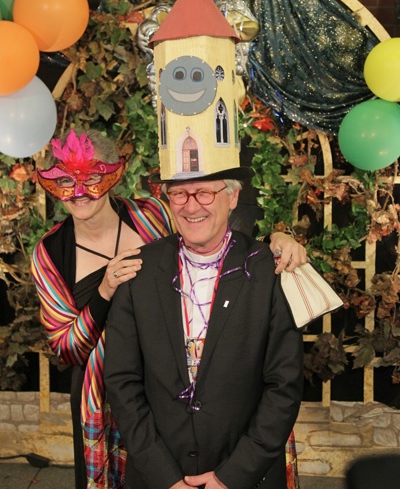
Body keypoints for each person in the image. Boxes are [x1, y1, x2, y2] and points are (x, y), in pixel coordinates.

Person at [31, 129, 307, 489]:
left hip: (186, 375)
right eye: (66, 180)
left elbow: (212, 231)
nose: (79, 192)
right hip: (108, 389)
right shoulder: (51, 253)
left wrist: (276, 239)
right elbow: (66, 349)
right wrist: (104, 291)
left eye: (92, 178)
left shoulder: (152, 213)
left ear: (112, 175)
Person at [104, 172, 304, 489]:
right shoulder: (138, 269)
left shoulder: (270, 269)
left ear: (233, 197)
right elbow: (122, 381)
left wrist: (234, 476)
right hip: (158, 475)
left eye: (204, 193)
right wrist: (163, 476)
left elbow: (285, 385)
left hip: (247, 475)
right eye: (179, 194)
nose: (190, 205)